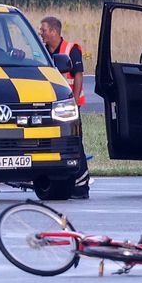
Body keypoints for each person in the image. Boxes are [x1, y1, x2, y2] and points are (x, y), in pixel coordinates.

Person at [39, 16, 90, 199]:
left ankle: (81, 186)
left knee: (75, 144)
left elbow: (78, 75)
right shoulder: (42, 51)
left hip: (68, 106)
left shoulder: (71, 49)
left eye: (43, 30)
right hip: (51, 106)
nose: (41, 33)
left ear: (54, 31)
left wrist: (74, 101)